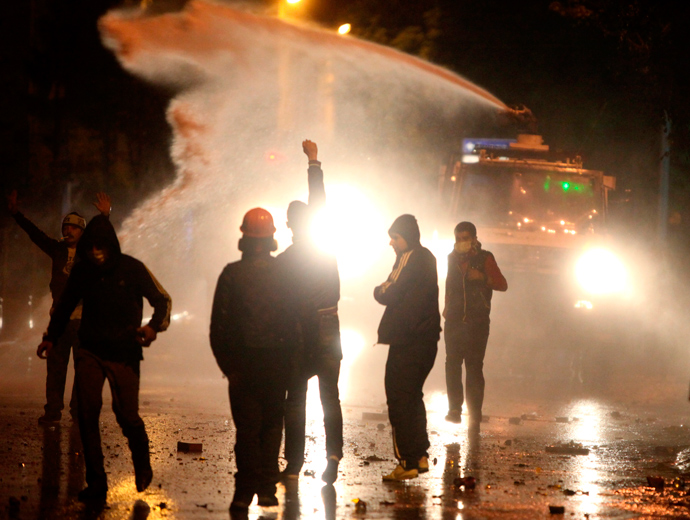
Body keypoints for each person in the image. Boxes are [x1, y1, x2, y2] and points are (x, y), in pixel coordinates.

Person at [36, 215, 171, 501]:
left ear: (112, 245)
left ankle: (142, 463)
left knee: (127, 415)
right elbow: (64, 306)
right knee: (87, 414)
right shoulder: (83, 272)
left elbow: (162, 299)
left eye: (102, 246)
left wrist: (153, 326)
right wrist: (51, 337)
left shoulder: (132, 268)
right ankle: (96, 482)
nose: (96, 251)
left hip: (124, 353)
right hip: (90, 351)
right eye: (92, 246)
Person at [210, 208, 300, 511]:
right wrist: (291, 367)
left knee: (247, 430)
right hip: (277, 365)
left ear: (244, 238)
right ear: (272, 237)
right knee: (272, 426)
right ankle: (266, 490)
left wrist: (230, 368)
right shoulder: (287, 275)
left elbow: (217, 329)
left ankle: (243, 492)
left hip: (244, 366)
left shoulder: (231, 274)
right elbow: (295, 324)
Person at [7, 190, 111, 425]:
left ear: (83, 231)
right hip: (59, 322)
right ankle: (53, 411)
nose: (68, 231)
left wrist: (105, 216)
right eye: (65, 227)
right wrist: (15, 214)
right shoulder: (57, 250)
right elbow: (35, 234)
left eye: (74, 227)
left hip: (85, 320)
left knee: (83, 371)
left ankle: (78, 412)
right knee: (55, 369)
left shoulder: (91, 253)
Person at [280, 140, 343, 485]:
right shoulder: (324, 244)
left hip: (300, 331)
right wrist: (314, 162)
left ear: (289, 223)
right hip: (329, 323)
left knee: (295, 398)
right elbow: (319, 204)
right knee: (330, 395)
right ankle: (333, 456)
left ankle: (292, 464)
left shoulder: (287, 259)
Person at [374, 214, 440, 481]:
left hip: (407, 340)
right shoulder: (429, 258)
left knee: (399, 399)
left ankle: (408, 461)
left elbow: (389, 291)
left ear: (408, 237)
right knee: (413, 396)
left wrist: (377, 290)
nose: (391, 242)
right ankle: (420, 456)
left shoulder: (410, 256)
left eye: (395, 237)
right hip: (426, 340)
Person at [443, 221, 507, 432]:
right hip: (453, 320)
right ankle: (454, 410)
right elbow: (449, 284)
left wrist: (482, 277)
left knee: (473, 367)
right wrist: (446, 308)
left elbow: (502, 284)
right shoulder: (451, 258)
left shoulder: (485, 258)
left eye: (465, 238)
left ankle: (475, 415)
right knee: (452, 364)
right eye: (458, 239)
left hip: (477, 322)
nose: (461, 243)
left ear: (474, 239)